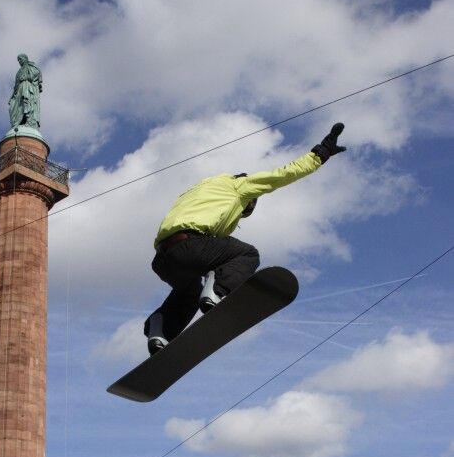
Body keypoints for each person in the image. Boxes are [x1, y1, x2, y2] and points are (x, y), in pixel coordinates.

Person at [144, 123, 346, 355]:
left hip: (164, 260)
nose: (242, 214)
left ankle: (161, 328)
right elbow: (283, 175)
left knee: (189, 293)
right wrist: (320, 155)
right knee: (247, 254)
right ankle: (217, 291)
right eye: (246, 210)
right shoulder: (239, 185)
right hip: (190, 246)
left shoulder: (200, 190)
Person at [9, 53, 43, 129]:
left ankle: (28, 121)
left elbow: (36, 73)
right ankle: (20, 122)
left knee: (27, 103)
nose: (19, 61)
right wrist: (12, 97)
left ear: (25, 59)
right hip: (19, 91)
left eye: (20, 59)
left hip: (27, 87)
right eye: (18, 60)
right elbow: (16, 86)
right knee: (14, 106)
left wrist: (26, 77)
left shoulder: (31, 66)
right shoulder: (19, 72)